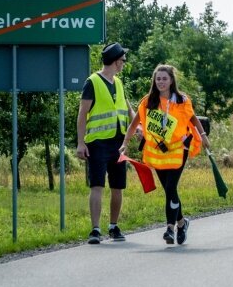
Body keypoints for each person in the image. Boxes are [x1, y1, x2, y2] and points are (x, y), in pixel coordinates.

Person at [120, 64, 209, 245]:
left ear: (171, 80)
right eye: (158, 79)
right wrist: (124, 143)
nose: (161, 82)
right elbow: (134, 123)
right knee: (170, 190)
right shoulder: (147, 101)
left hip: (178, 149)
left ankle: (169, 228)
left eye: (164, 79)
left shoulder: (182, 100)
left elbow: (193, 119)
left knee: (170, 188)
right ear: (154, 80)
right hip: (157, 152)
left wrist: (204, 136)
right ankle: (182, 223)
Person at [76, 42, 136, 245]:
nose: (124, 64)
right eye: (123, 61)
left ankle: (113, 226)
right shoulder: (92, 82)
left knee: (118, 186)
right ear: (116, 61)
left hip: (118, 142)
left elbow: (127, 107)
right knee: (97, 185)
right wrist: (80, 143)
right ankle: (95, 229)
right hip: (98, 143)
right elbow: (82, 113)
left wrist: (137, 126)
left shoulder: (118, 83)